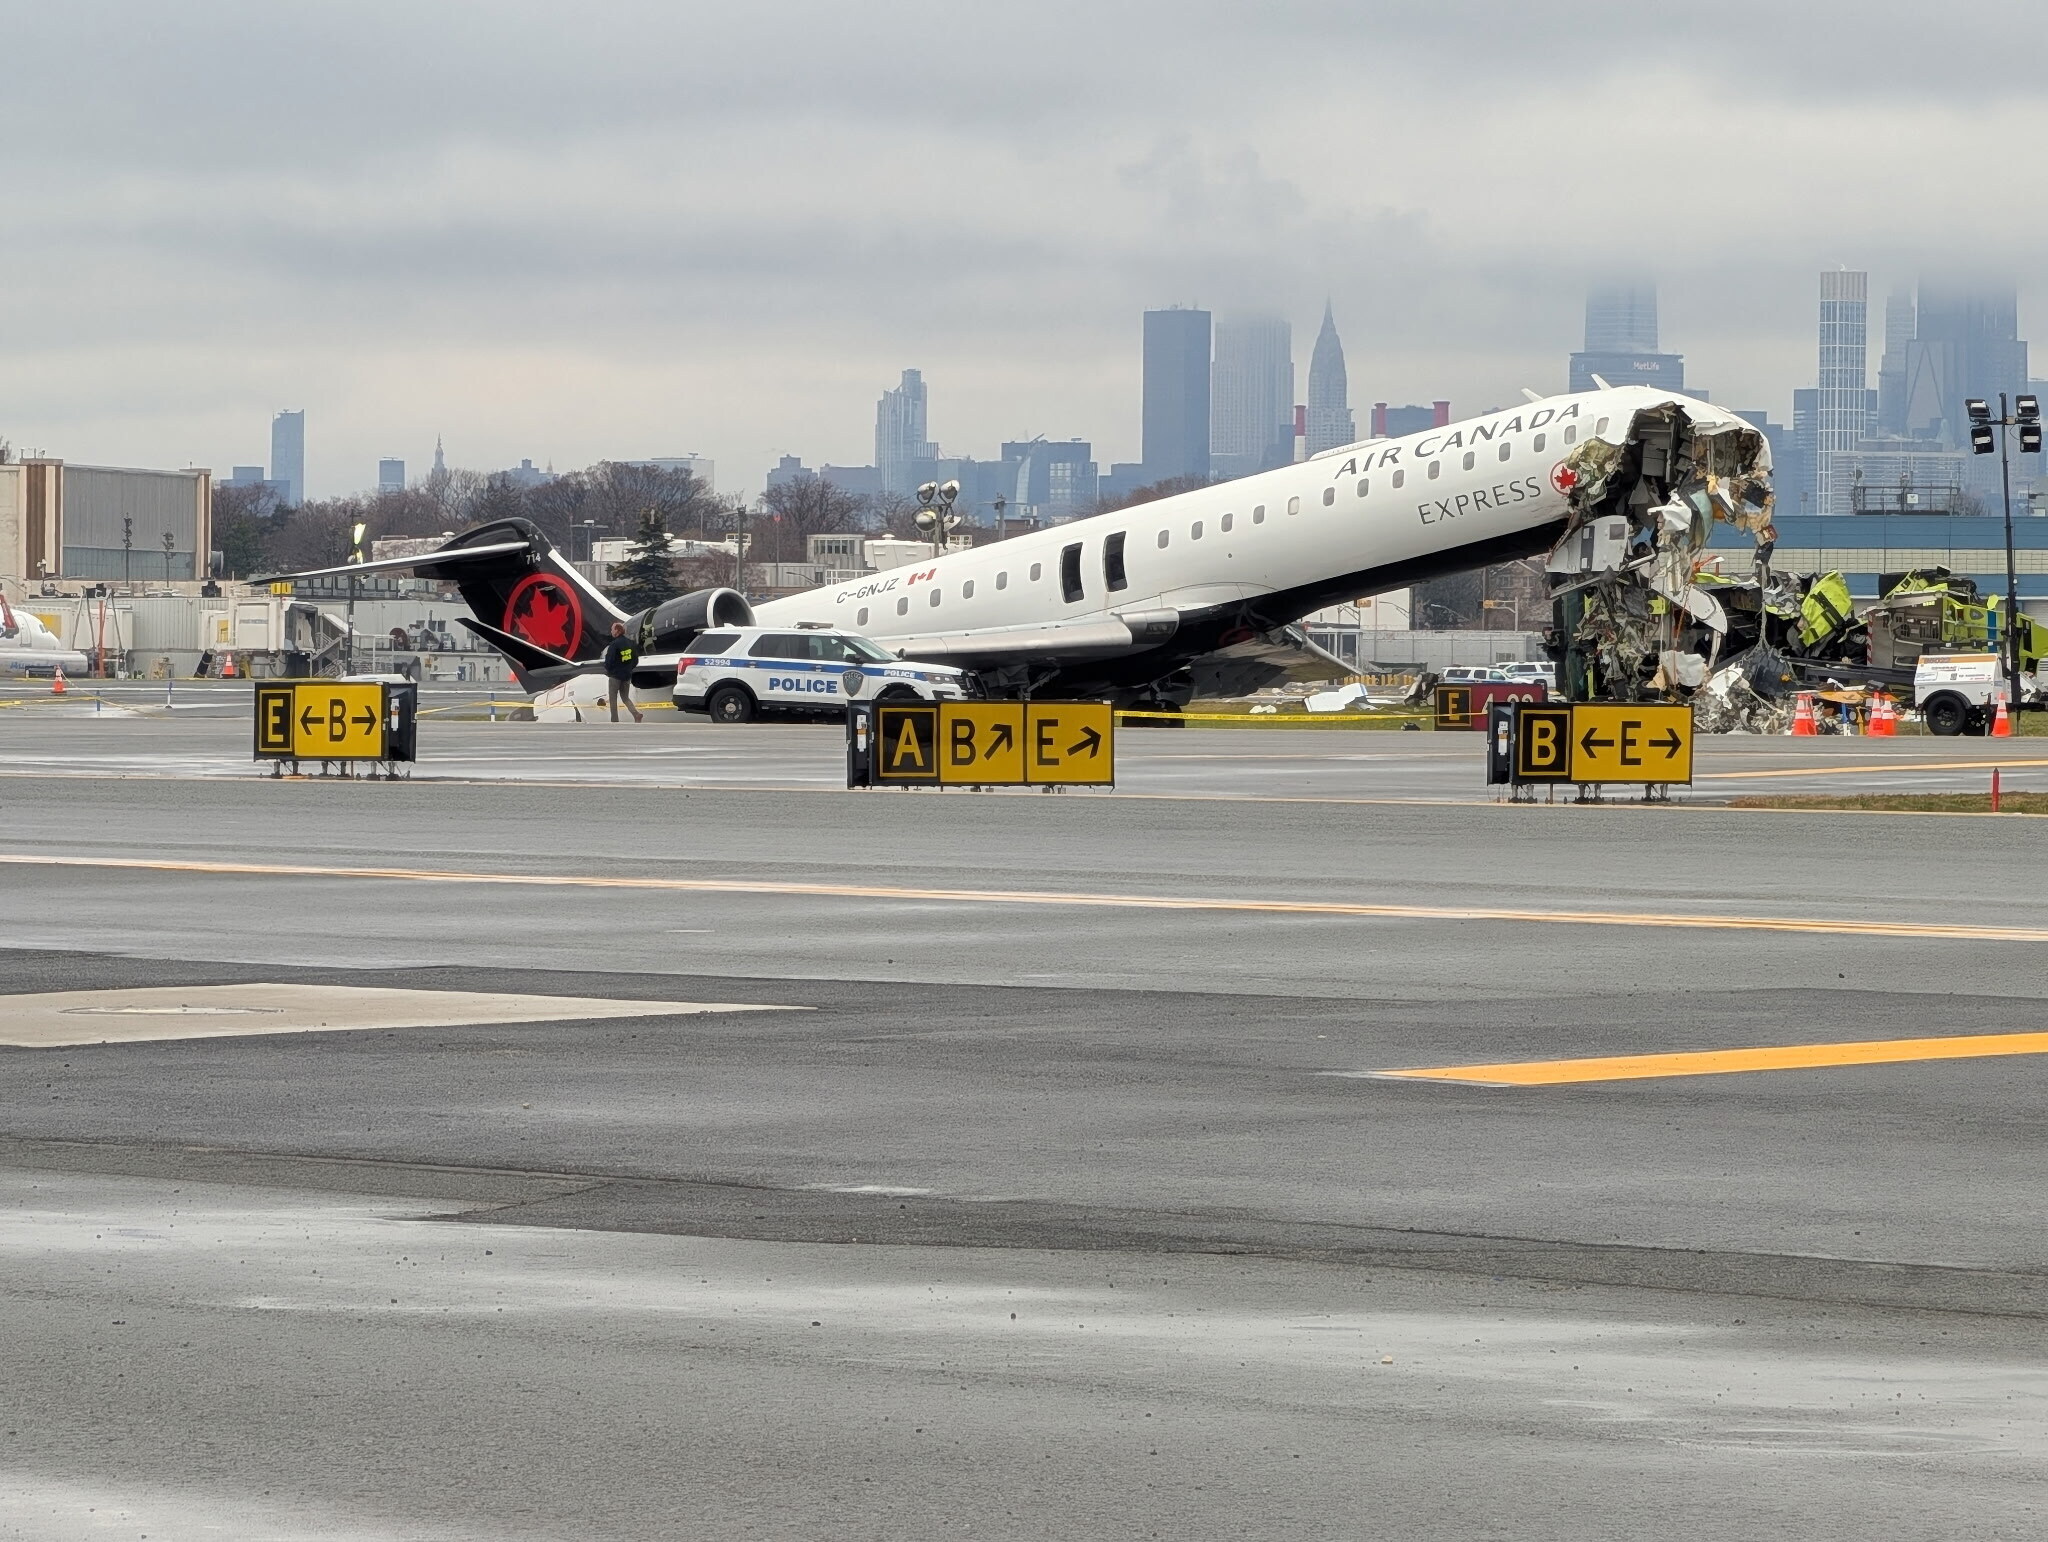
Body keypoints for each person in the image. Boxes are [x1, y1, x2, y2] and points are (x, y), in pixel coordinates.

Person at [601, 621, 644, 722]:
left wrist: (609, 671)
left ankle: (614, 720)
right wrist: (628, 668)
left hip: (615, 676)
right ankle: (636, 714)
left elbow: (609, 660)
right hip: (626, 676)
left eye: (612, 629)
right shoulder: (630, 643)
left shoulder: (614, 645)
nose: (611, 631)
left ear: (617, 630)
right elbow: (635, 660)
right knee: (625, 698)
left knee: (613, 699)